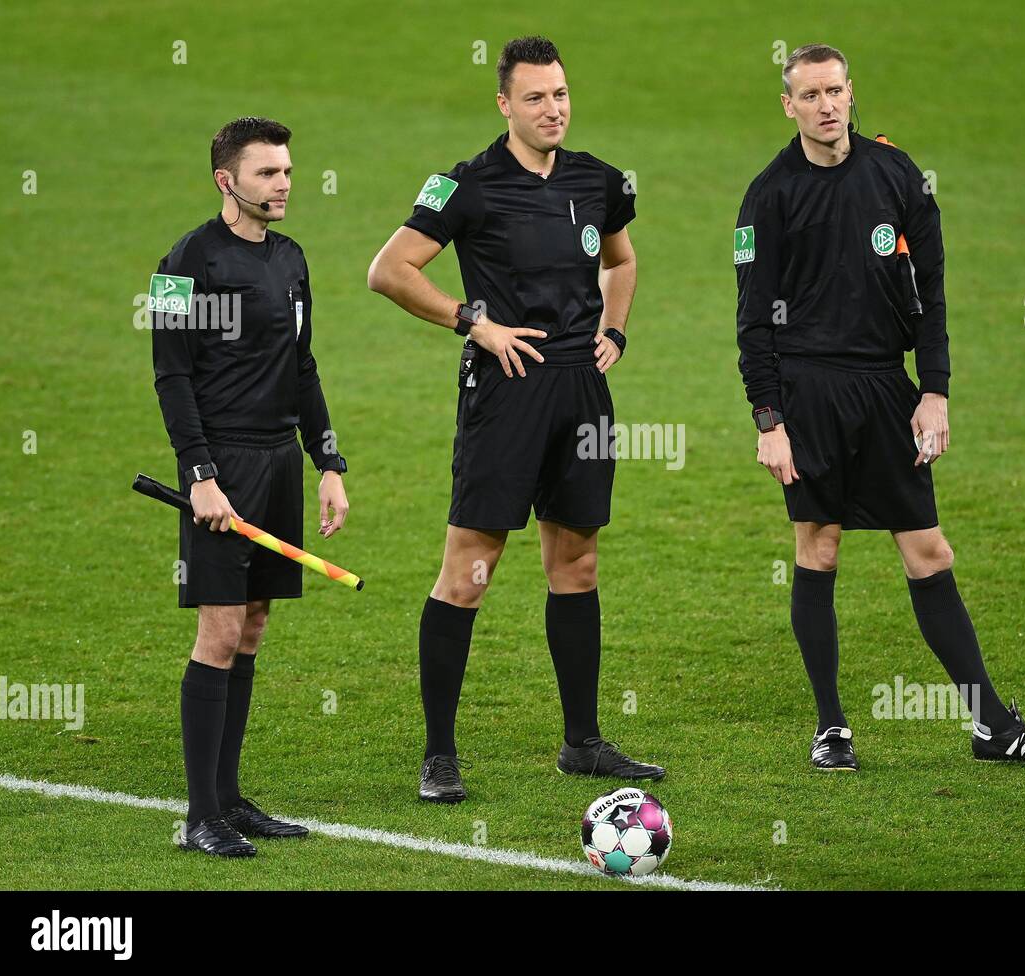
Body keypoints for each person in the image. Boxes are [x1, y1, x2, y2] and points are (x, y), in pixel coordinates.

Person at [735, 45, 1025, 771]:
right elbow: (750, 322)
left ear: (851, 92)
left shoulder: (897, 176)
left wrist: (935, 389)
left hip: (884, 385)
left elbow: (931, 291)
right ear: (789, 105)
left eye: (837, 91)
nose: (828, 106)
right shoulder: (768, 196)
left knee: (928, 550)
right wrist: (768, 420)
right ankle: (831, 728)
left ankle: (991, 726)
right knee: (819, 548)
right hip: (808, 392)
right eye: (812, 95)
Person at [368, 37, 664, 804]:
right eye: (535, 98)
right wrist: (473, 321)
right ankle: (438, 755)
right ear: (505, 104)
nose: (553, 109)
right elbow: (388, 271)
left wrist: (616, 330)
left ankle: (583, 743)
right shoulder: (468, 184)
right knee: (470, 571)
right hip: (505, 390)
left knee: (578, 565)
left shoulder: (599, 180)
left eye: (561, 94)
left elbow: (622, 262)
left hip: (580, 391)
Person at [151, 117, 351, 855]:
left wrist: (327, 461)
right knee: (221, 627)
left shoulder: (292, 259)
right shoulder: (184, 264)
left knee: (256, 622)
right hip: (223, 465)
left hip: (278, 462)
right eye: (268, 173)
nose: (284, 184)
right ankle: (200, 816)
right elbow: (171, 375)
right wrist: (200, 474)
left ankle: (230, 799)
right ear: (225, 181)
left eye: (289, 171)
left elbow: (304, 367)